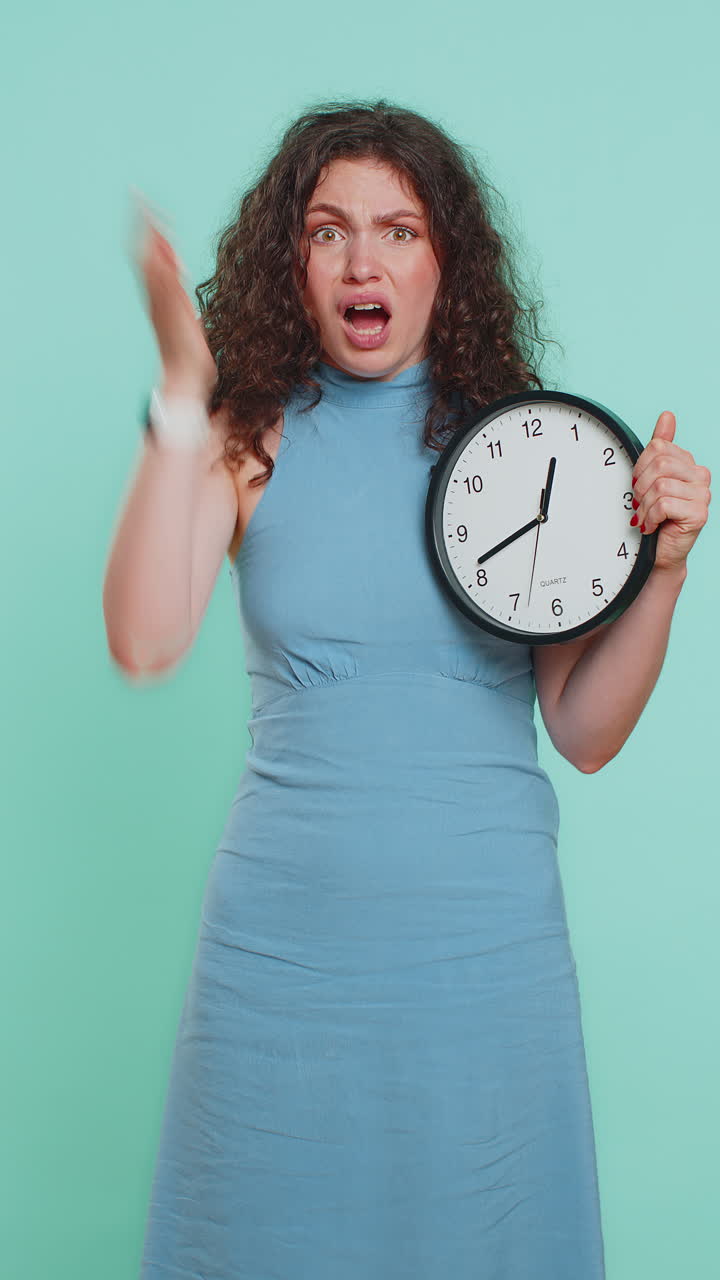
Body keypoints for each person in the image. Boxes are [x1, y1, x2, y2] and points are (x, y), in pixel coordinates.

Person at [103, 100, 710, 1279]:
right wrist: (182, 391)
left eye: (398, 230)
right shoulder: (245, 438)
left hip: (487, 957)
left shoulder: (531, 446)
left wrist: (666, 574)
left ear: (447, 260)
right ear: (292, 262)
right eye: (328, 231)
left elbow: (584, 731)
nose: (362, 262)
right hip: (280, 962)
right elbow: (143, 635)